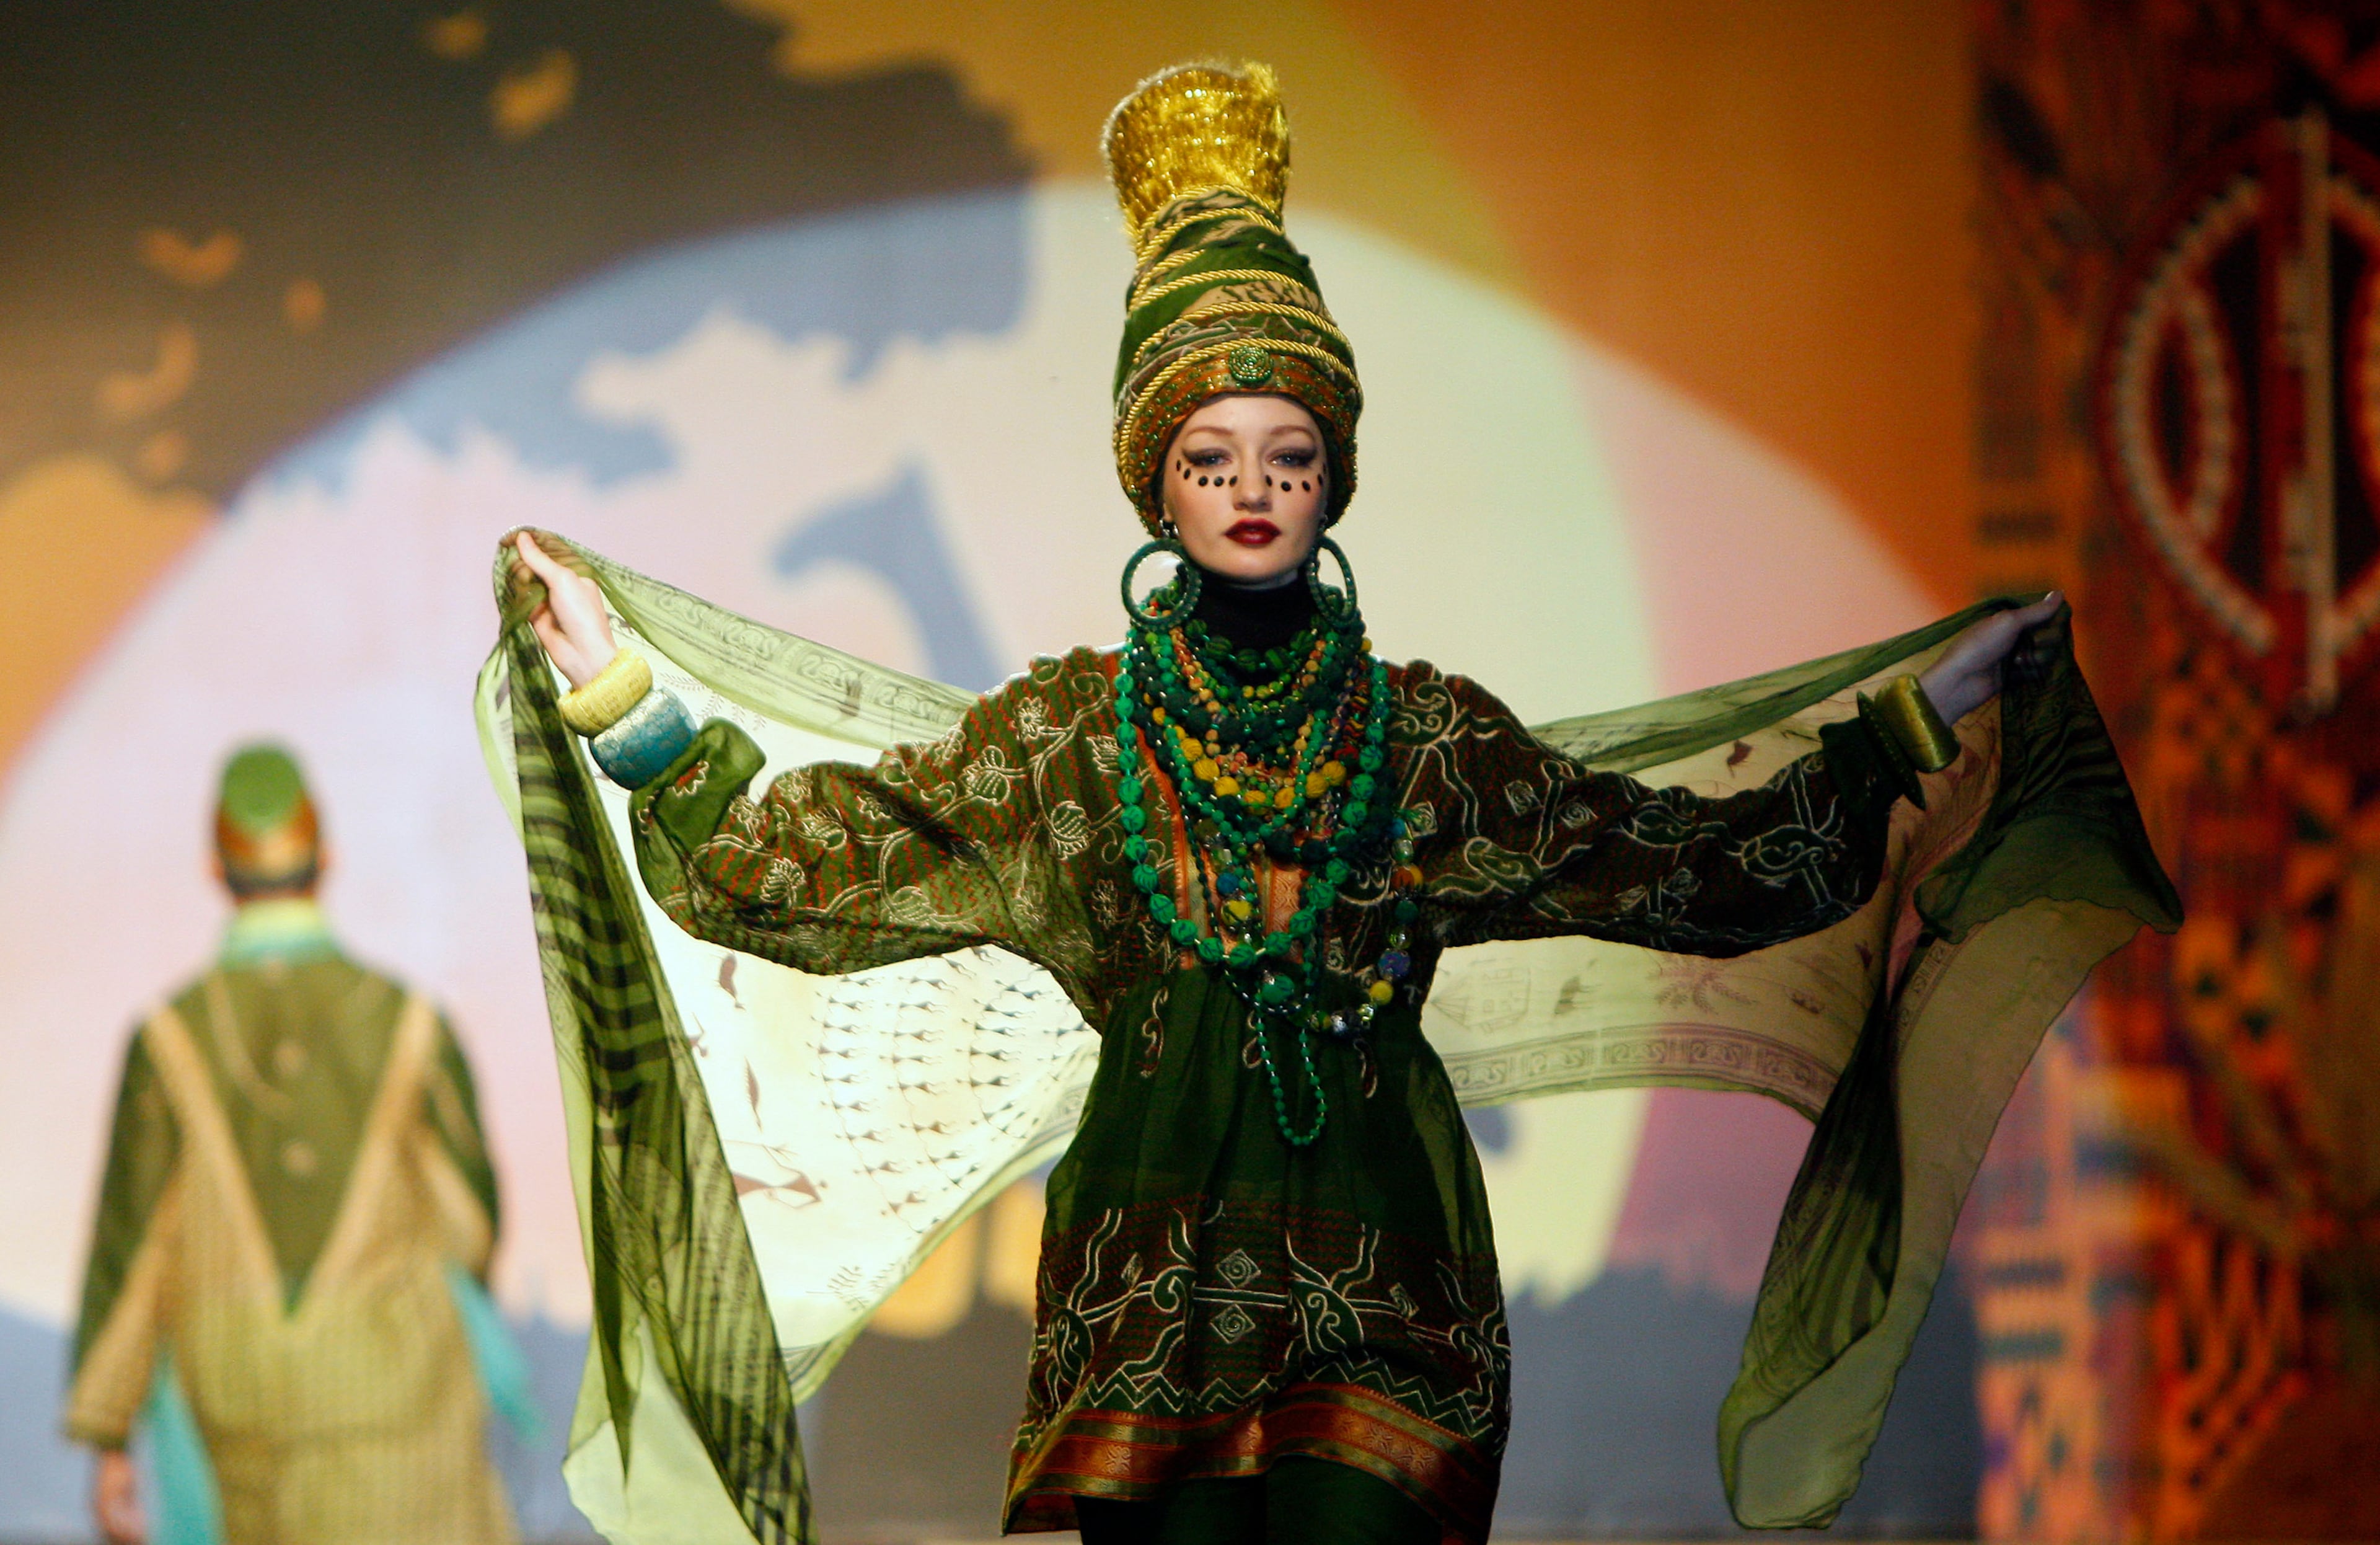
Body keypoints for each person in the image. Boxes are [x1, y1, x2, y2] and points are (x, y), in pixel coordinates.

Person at [497, 62, 2171, 1545]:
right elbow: (807, 865)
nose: (1249, 490)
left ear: (1331, 477)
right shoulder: (1077, 738)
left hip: (1388, 1295)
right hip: (1146, 1307)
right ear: (1156, 478)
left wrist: (1905, 728)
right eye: (1210, 454)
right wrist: (625, 701)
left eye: (1286, 454)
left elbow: (1692, 869)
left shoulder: (1423, 744)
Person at [64, 745, 518, 1545]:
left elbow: (130, 1245)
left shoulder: (168, 1038)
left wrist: (109, 1434)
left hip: (238, 1404)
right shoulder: (409, 1022)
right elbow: (468, 1222)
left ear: (216, 869)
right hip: (394, 1398)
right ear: (327, 859)